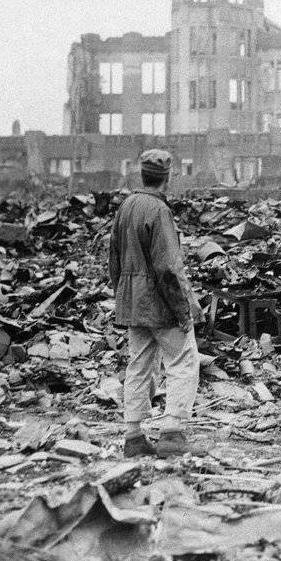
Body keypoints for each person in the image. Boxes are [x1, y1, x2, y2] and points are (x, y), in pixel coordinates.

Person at [108, 149, 201, 457]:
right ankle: (172, 431)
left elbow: (114, 259)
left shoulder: (126, 206)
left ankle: (133, 436)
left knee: (139, 365)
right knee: (183, 361)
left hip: (133, 303)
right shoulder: (158, 211)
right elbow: (168, 268)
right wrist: (183, 310)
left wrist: (124, 295)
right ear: (167, 177)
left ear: (142, 175)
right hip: (160, 303)